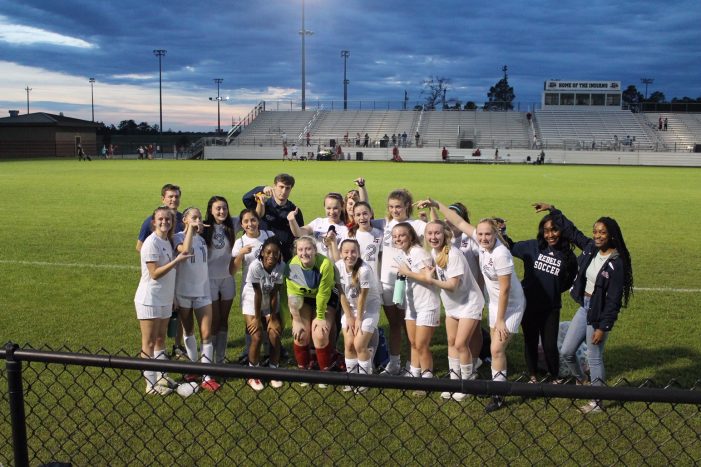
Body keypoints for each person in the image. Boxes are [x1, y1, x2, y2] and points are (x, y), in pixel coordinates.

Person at [420, 199, 525, 412]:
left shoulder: (501, 254)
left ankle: (498, 393)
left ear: (496, 234)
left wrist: (501, 319)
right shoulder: (479, 241)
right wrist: (435, 204)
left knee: (496, 348)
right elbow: (457, 221)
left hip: (511, 305)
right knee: (495, 350)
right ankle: (484, 386)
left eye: (488, 234)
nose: (483, 238)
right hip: (495, 302)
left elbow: (505, 290)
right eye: (481, 234)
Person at [536, 203, 633, 414]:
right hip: (584, 307)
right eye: (595, 231)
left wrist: (602, 327)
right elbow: (572, 232)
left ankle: (597, 402)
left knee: (594, 356)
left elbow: (614, 300)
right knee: (567, 351)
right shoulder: (590, 248)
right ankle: (582, 381)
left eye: (602, 232)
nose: (597, 236)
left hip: (599, 314)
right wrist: (553, 211)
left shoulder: (617, 264)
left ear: (612, 236)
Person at [411, 220, 485, 400]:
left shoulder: (454, 254)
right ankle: (454, 382)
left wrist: (431, 279)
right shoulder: (434, 253)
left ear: (445, 234)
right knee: (451, 342)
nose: (433, 237)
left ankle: (466, 384)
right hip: (452, 306)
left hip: (470, 303)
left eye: (437, 233)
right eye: (429, 233)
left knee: (460, 344)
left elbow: (452, 285)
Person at [510, 209, 577, 383]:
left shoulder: (568, 255)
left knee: (549, 345)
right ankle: (532, 375)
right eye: (546, 231)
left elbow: (570, 279)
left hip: (551, 307)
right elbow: (510, 246)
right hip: (529, 305)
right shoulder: (532, 246)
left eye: (554, 230)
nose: (550, 235)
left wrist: (553, 288)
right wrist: (500, 231)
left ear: (561, 231)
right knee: (530, 341)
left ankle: (554, 377)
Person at [134, 206, 192, 395]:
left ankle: (161, 376)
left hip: (165, 298)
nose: (164, 222)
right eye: (160, 219)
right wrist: (176, 261)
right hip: (149, 298)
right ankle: (150, 384)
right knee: (148, 342)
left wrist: (173, 296)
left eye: (168, 219)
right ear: (154, 222)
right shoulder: (151, 243)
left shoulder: (167, 241)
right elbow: (155, 274)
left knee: (160, 340)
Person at [374, 189, 427, 375]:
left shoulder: (416, 224)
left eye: (398, 206)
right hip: (387, 280)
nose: (394, 210)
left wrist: (430, 215)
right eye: (391, 206)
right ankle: (395, 363)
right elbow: (361, 218)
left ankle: (414, 365)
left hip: (408, 281)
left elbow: (433, 230)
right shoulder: (386, 223)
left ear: (406, 206)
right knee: (394, 324)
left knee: (409, 326)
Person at [172, 207, 221, 392]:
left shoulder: (202, 240)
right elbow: (184, 251)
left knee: (206, 334)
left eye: (199, 218)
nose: (198, 220)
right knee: (189, 331)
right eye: (194, 217)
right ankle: (193, 368)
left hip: (203, 292)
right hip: (183, 292)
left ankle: (207, 375)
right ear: (184, 220)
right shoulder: (177, 237)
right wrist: (190, 231)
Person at [393, 223, 440, 390]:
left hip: (427, 304)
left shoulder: (419, 253)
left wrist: (407, 273)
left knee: (421, 345)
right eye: (395, 236)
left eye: (402, 235)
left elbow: (428, 277)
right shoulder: (403, 254)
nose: (398, 239)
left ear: (411, 236)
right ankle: (414, 374)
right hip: (413, 305)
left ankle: (427, 380)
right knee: (413, 342)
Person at [286, 236, 339, 378]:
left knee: (320, 334)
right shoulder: (292, 266)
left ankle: (324, 373)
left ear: (315, 250)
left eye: (308, 248)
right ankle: (304, 372)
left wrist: (320, 317)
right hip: (305, 299)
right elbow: (293, 297)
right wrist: (296, 320)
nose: (304, 253)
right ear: (296, 252)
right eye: (300, 249)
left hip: (325, 298)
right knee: (301, 334)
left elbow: (323, 294)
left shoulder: (324, 264)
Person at [336, 239, 382, 392]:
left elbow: (362, 297)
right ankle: (351, 378)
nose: (350, 255)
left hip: (368, 308)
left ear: (359, 252)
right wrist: (349, 317)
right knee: (349, 343)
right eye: (346, 252)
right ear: (341, 253)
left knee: (359, 344)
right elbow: (341, 293)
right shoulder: (337, 267)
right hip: (349, 308)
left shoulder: (364, 270)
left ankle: (365, 379)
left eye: (353, 251)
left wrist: (359, 320)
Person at [241, 236, 286, 390]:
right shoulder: (255, 266)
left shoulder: (281, 266)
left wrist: (272, 318)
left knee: (274, 332)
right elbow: (257, 294)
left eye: (275, 253)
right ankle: (253, 373)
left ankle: (274, 369)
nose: (271, 256)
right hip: (252, 299)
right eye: (268, 253)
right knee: (257, 335)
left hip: (269, 299)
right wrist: (256, 318)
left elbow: (274, 294)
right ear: (262, 253)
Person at [202, 196, 240, 364]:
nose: (221, 211)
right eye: (218, 208)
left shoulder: (232, 224)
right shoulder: (204, 227)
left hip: (227, 279)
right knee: (214, 320)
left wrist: (261, 195)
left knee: (224, 320)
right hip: (209, 280)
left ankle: (220, 359)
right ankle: (207, 359)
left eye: (224, 208)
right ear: (211, 210)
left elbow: (256, 214)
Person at [243, 173, 303, 262]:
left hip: (285, 257)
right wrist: (262, 189)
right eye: (281, 187)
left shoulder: (294, 211)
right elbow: (246, 198)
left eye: (287, 188)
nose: (283, 191)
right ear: (274, 186)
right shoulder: (262, 204)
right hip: (262, 255)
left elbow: (299, 236)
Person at [287, 192, 348, 259]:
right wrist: (292, 220)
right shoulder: (318, 222)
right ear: (324, 207)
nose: (332, 212)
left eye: (335, 208)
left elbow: (340, 258)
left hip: (332, 267)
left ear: (342, 207)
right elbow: (299, 233)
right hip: (315, 266)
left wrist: (332, 243)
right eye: (328, 208)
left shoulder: (345, 229)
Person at [136, 184, 184, 253]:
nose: (174, 199)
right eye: (170, 197)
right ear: (163, 199)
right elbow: (139, 246)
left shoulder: (184, 220)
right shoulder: (152, 221)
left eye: (177, 197)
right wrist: (154, 259)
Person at [348, 201, 383, 275]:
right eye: (358, 215)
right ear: (354, 217)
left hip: (376, 281)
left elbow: (382, 258)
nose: (362, 218)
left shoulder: (380, 234)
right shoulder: (351, 236)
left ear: (370, 214)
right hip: (358, 280)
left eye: (365, 213)